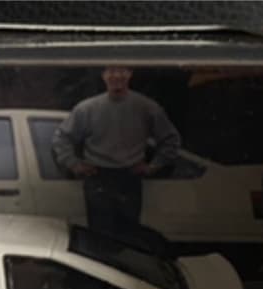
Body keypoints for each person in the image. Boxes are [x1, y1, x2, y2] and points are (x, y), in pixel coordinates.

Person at [52, 66, 181, 240]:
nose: (116, 76)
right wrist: (74, 165)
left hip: (129, 179)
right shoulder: (87, 109)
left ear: (130, 74)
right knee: (100, 239)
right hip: (98, 179)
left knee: (129, 239)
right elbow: (61, 138)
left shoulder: (146, 107)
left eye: (122, 71)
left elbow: (171, 140)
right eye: (111, 71)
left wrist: (153, 166)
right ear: (103, 75)